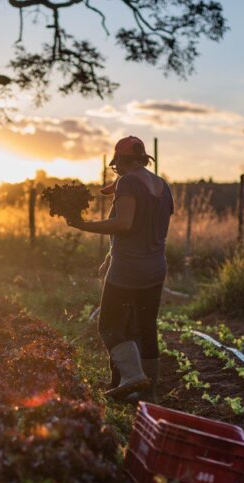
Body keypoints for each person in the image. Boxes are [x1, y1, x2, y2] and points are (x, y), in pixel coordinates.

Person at [65, 136, 174, 399]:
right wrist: (110, 256)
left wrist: (83, 225)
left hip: (128, 270)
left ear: (122, 162)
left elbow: (124, 224)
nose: (118, 171)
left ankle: (133, 376)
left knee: (111, 326)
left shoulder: (127, 182)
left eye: (117, 166)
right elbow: (146, 230)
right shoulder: (162, 185)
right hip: (156, 267)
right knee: (145, 327)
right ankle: (149, 389)